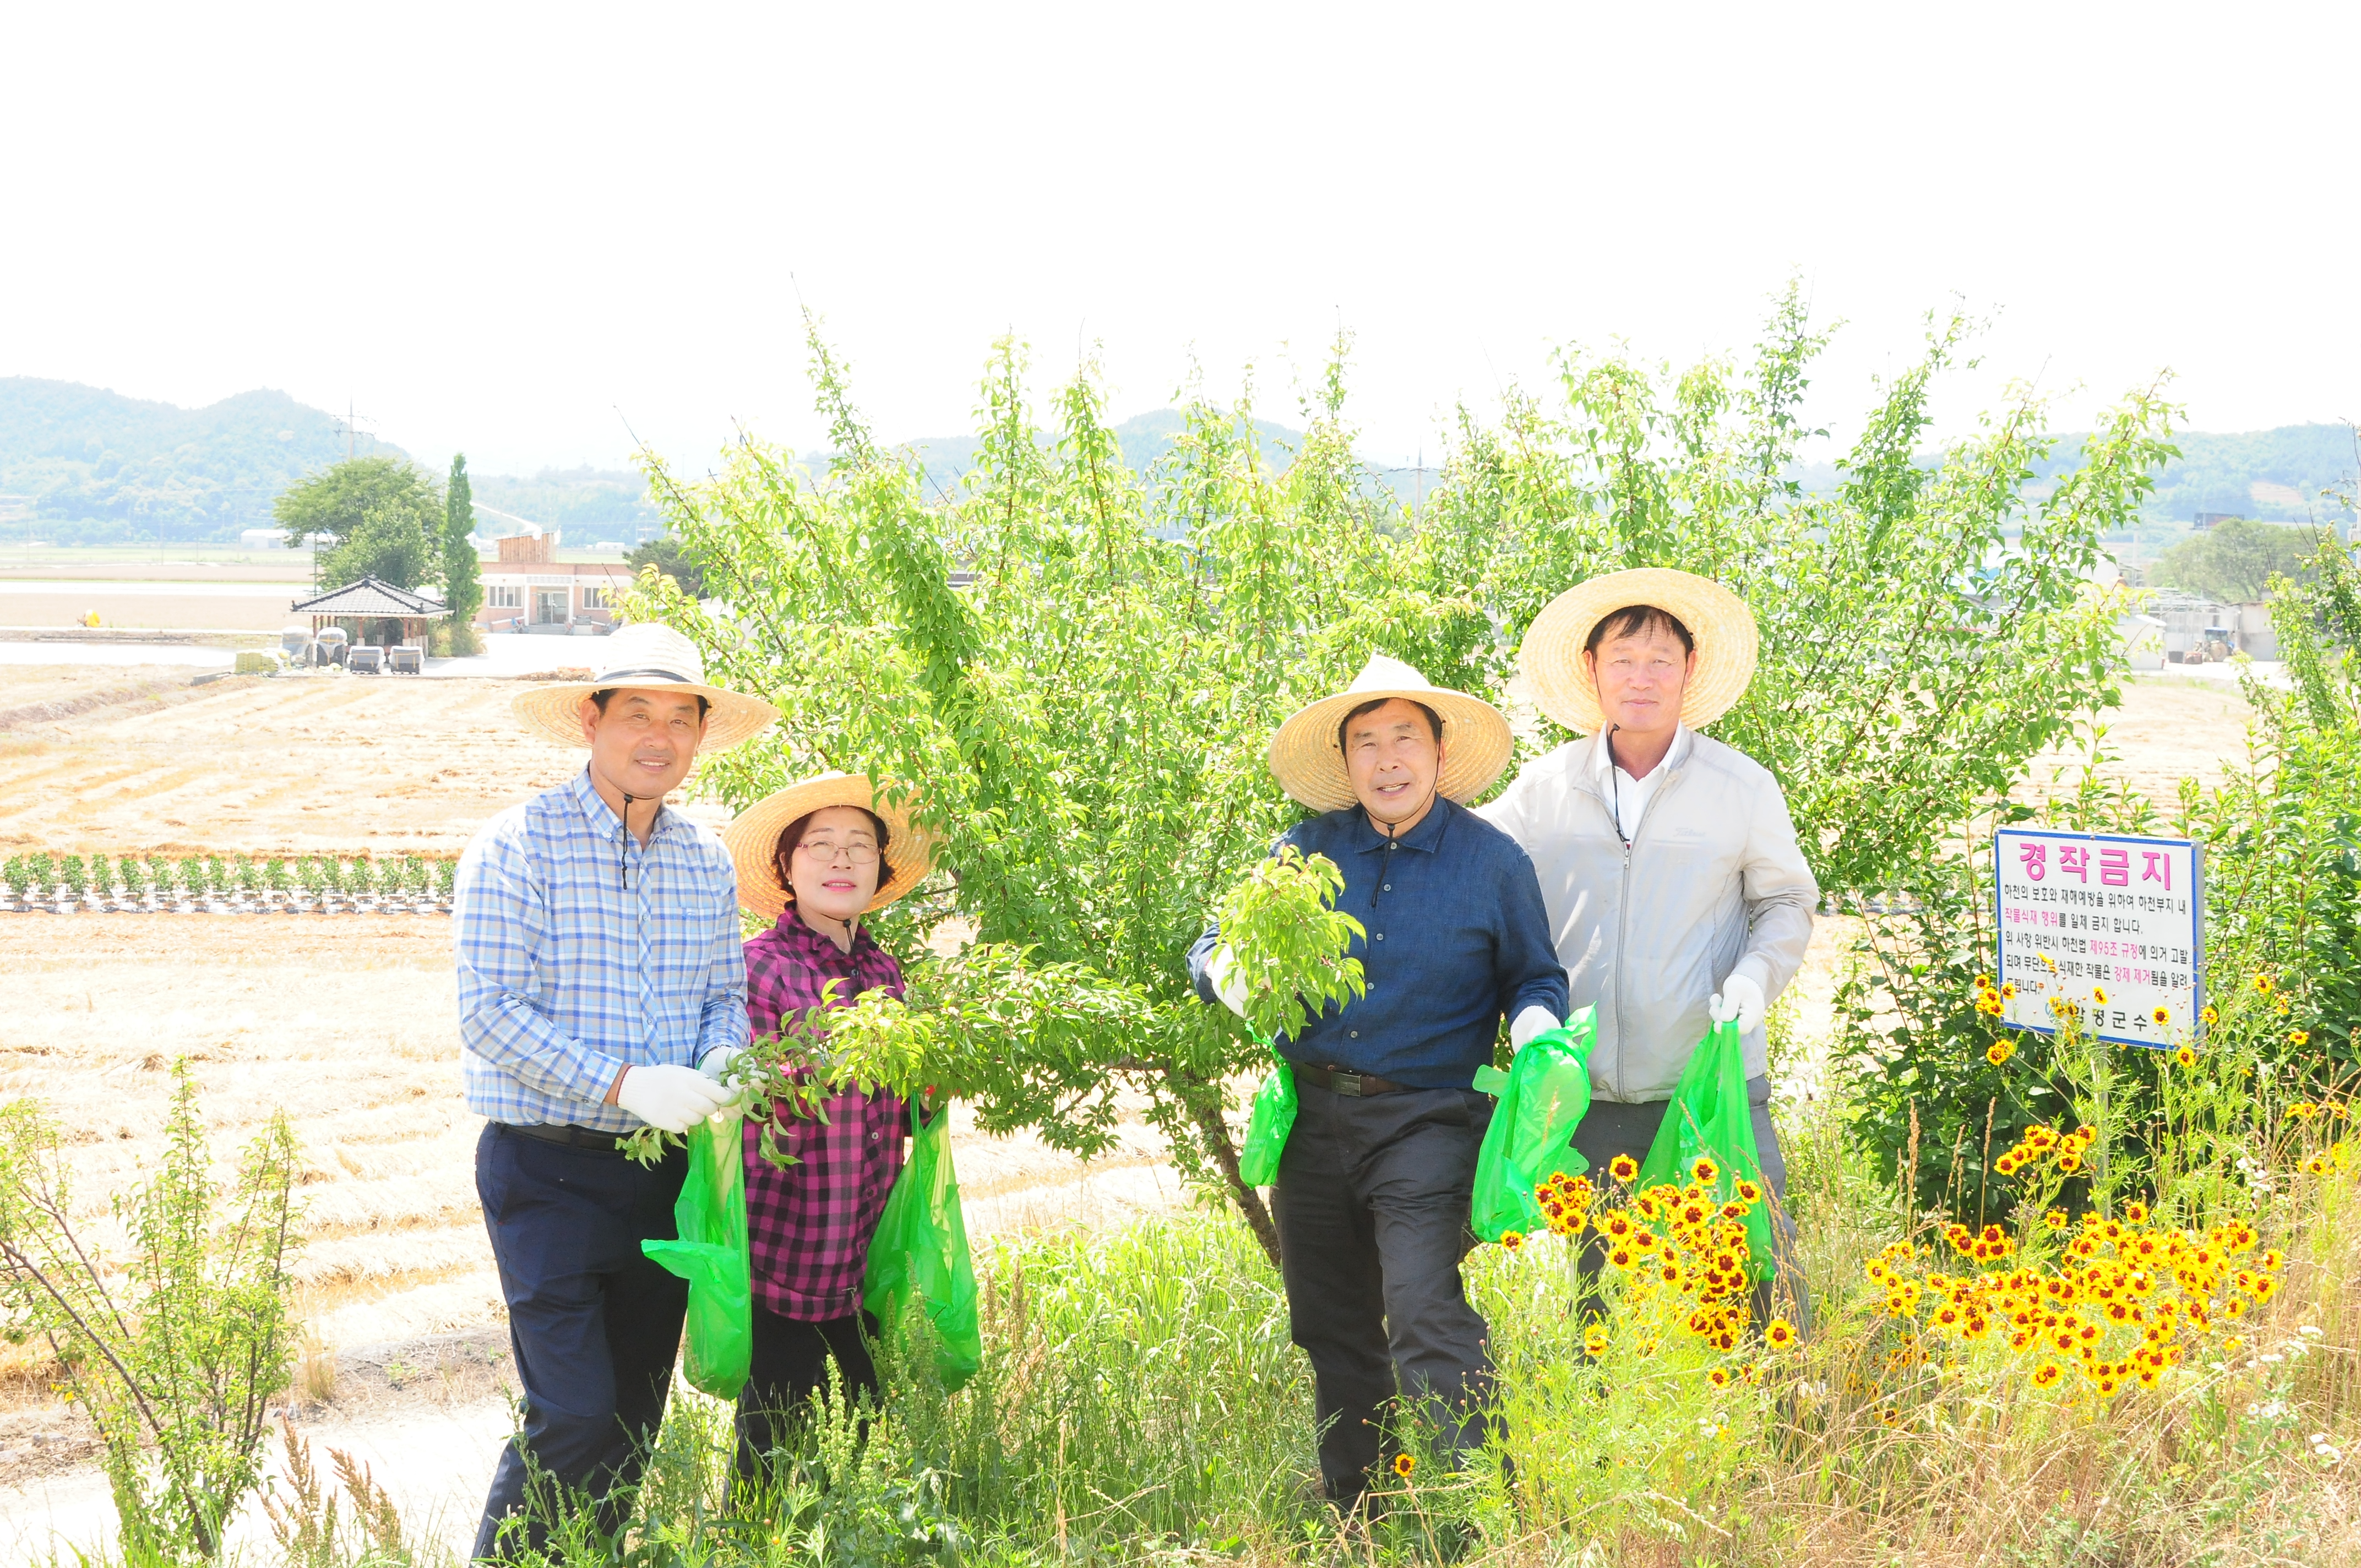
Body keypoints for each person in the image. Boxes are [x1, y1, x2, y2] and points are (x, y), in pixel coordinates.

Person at [1187, 654, 1569, 1512]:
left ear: (1438, 754)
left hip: (1429, 1122)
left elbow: (1536, 978)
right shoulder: (1305, 850)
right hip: (1314, 1119)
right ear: (1347, 760)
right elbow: (1211, 945)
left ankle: (1476, 1510)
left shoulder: (1492, 863)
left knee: (1424, 1307)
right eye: (1367, 742)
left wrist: (1540, 1021)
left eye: (1405, 738)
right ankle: (1364, 1510)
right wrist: (1227, 971)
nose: (1386, 759)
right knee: (1330, 1321)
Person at [456, 623, 780, 1561]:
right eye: (638, 712)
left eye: (681, 718)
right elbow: (489, 1014)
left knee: (635, 1416)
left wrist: (723, 1058)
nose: (660, 736)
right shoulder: (518, 845)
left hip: (661, 1178)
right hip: (545, 1172)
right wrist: (627, 1082)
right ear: (592, 721)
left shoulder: (703, 859)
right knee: (571, 1414)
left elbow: (727, 995)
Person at [1477, 568, 1817, 1329]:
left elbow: (1787, 901)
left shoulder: (1741, 786)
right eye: (1623, 659)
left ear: (1690, 673)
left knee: (1759, 1273)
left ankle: (1788, 1440)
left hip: (1712, 1083)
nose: (1642, 677)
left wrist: (1756, 980)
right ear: (1591, 670)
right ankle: (1611, 1447)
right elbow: (1468, 867)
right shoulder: (1545, 788)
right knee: (1606, 1297)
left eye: (1662, 660)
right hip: (1590, 1096)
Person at [710, 771, 936, 1483]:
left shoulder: (885, 973)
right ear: (786, 866)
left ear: (880, 868)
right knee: (770, 1448)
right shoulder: (760, 971)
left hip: (862, 1257)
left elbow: (898, 1111)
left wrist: (931, 1087)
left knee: (861, 1442)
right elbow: (737, 1109)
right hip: (785, 1257)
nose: (842, 861)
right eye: (821, 845)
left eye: (859, 847)